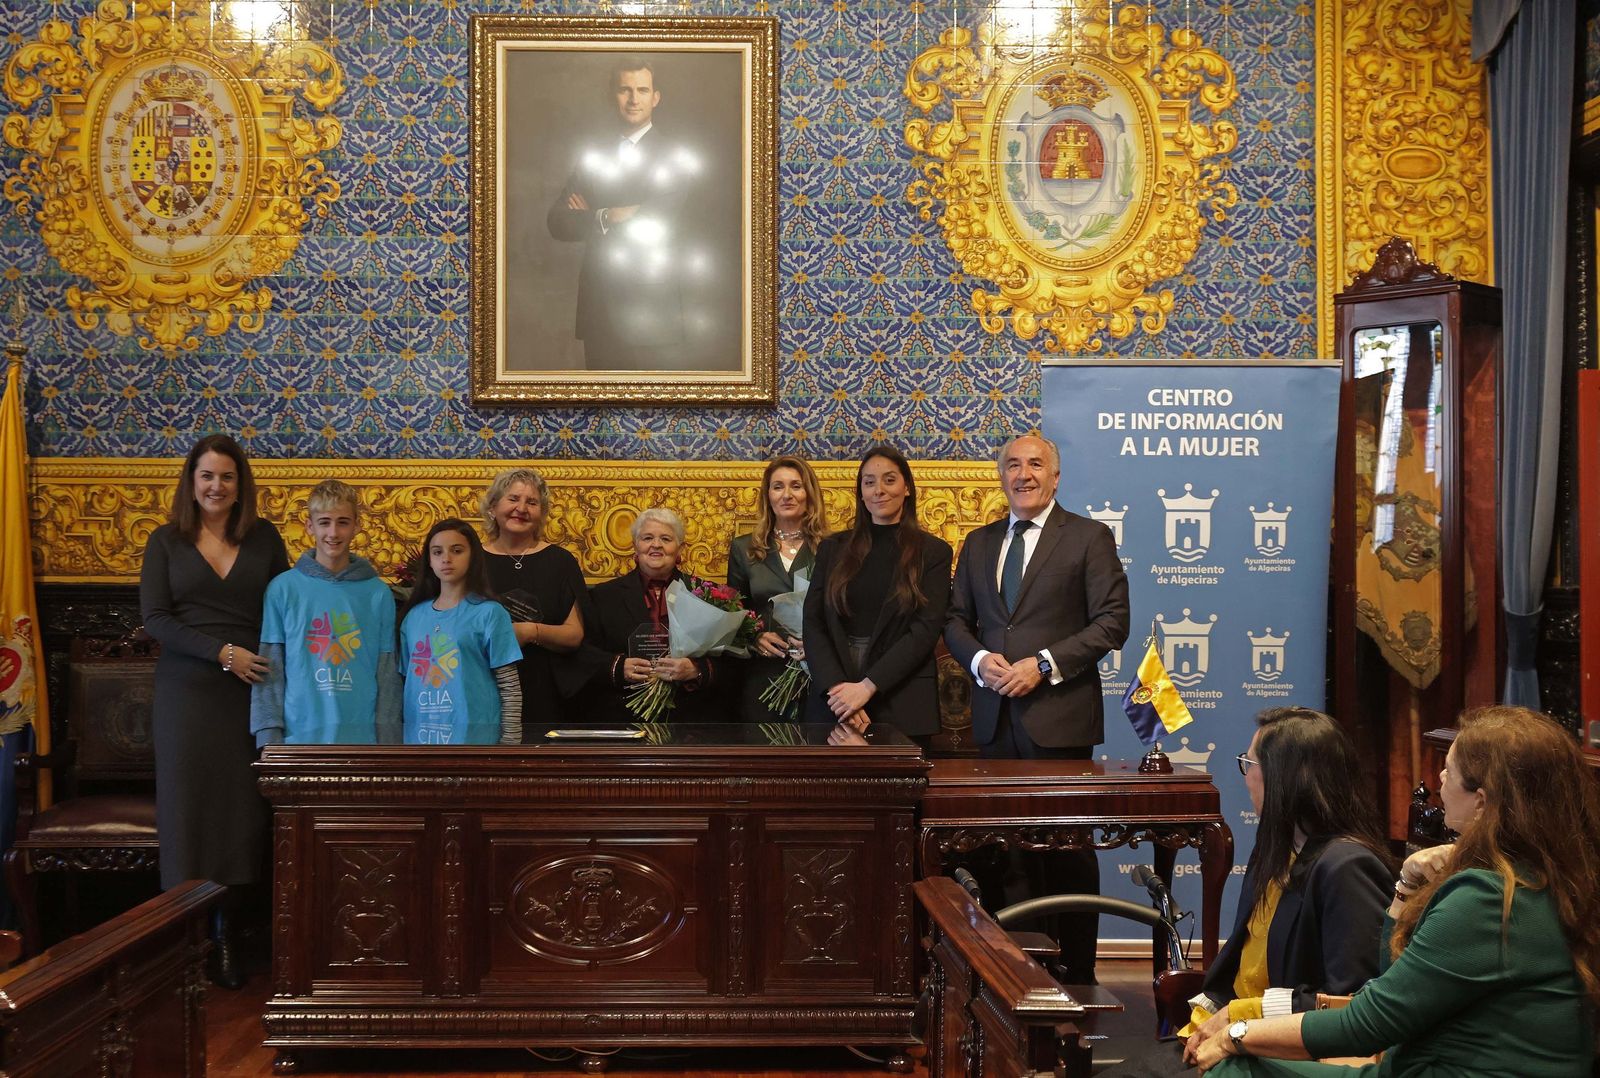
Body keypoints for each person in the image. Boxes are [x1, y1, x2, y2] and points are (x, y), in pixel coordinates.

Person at [1192, 705, 1600, 1077]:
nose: (1439, 779)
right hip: (1419, 1065)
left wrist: (1238, 1032)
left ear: (1481, 802)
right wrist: (1405, 887)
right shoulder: (1541, 877)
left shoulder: (1489, 898)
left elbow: (1365, 1020)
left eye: (1448, 769)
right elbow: (1389, 980)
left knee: (1232, 1070)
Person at [1104, 707, 1394, 1077]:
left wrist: (1240, 1017)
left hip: (1282, 1055)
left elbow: (1351, 1005)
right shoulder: (1275, 848)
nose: (1246, 778)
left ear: (1286, 777)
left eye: (1250, 763)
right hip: (1230, 1038)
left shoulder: (1347, 868)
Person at [943, 434, 1130, 984]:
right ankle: (1013, 977)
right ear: (1001, 476)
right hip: (993, 721)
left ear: (1055, 476)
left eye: (1035, 464)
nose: (1023, 474)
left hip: (1059, 721)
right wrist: (980, 661)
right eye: (1012, 465)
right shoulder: (979, 543)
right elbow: (954, 620)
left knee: (1066, 853)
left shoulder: (1089, 537)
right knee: (1001, 854)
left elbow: (1113, 621)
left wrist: (1043, 664)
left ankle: (1077, 978)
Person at [139, 433, 288, 988]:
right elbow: (155, 619)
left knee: (241, 813)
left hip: (251, 692)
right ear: (191, 481)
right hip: (188, 693)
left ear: (240, 484)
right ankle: (188, 939)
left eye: (227, 476)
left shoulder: (264, 537)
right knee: (190, 810)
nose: (217, 486)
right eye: (207, 475)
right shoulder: (165, 540)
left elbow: (284, 608)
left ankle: (228, 934)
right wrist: (222, 653)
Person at [546, 56, 697, 371]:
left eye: (642, 90)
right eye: (624, 89)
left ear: (656, 98)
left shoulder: (674, 156)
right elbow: (557, 221)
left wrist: (591, 217)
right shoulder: (592, 157)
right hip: (598, 309)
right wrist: (607, 216)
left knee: (650, 404)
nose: (633, 99)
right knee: (599, 403)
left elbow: (655, 227)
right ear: (611, 96)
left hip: (652, 314)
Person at [802, 445, 952, 743]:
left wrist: (867, 687)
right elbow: (813, 621)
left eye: (889, 480)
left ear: (906, 488)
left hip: (901, 696)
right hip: (835, 698)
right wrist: (837, 690)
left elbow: (925, 630)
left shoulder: (933, 552)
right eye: (869, 482)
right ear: (860, 492)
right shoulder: (833, 548)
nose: (878, 490)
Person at [251, 480, 402, 747]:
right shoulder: (282, 589)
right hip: (298, 740)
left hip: (362, 740)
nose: (333, 532)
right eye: (324, 522)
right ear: (309, 526)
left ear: (356, 525)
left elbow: (386, 673)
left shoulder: (377, 593)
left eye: (343, 522)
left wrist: (388, 739)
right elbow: (270, 667)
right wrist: (269, 736)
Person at [576, 507, 732, 724]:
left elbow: (733, 661)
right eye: (647, 538)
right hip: (623, 714)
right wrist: (619, 667)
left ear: (680, 549)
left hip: (692, 717)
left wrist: (697, 670)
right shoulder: (604, 596)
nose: (656, 544)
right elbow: (583, 654)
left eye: (666, 539)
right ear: (635, 546)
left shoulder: (707, 595)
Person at [479, 468, 588, 735]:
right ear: (493, 507)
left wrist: (530, 632)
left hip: (547, 691)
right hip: (483, 685)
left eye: (532, 502)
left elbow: (574, 635)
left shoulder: (561, 562)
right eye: (513, 499)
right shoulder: (471, 562)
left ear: (542, 513)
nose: (521, 508)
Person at [398, 519, 522, 745]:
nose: (446, 558)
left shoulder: (490, 613)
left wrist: (509, 747)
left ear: (473, 556)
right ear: (429, 561)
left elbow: (509, 687)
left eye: (457, 550)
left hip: (475, 743)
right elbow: (406, 683)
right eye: (437, 552)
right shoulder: (413, 618)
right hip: (419, 743)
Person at [727, 456, 825, 722]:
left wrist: (818, 646)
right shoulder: (744, 549)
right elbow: (733, 614)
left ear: (809, 493)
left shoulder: (831, 547)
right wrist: (754, 638)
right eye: (778, 486)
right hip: (764, 675)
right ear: (767, 495)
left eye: (796, 486)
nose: (787, 495)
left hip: (819, 675)